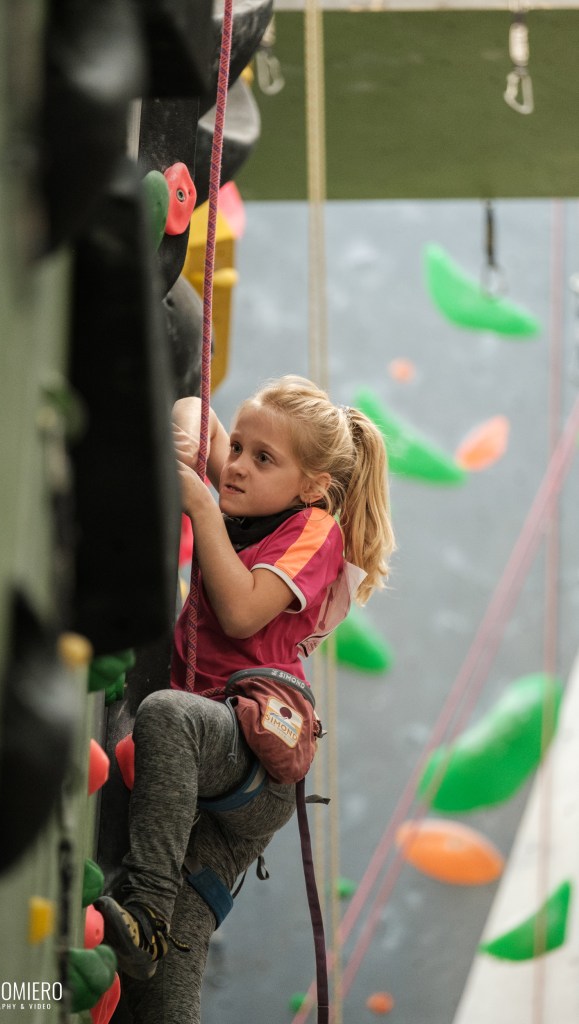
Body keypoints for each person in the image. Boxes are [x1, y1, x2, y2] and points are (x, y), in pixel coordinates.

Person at [95, 375, 395, 1023]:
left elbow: (241, 612)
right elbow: (193, 406)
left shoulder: (314, 529)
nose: (236, 466)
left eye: (263, 458)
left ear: (311, 486)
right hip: (203, 763)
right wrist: (193, 435)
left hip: (249, 761)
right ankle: (156, 925)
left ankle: (147, 912)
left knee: (168, 716)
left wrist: (202, 508)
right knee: (165, 997)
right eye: (237, 448)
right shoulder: (245, 498)